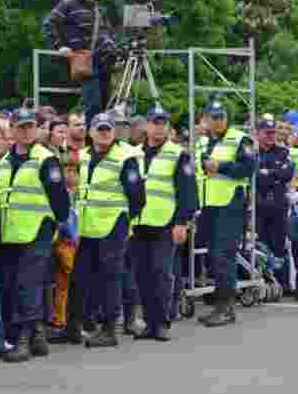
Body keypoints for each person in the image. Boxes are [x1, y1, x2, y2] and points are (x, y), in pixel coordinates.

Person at [0, 109, 70, 361]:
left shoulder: (45, 159)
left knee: (29, 284)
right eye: (21, 127)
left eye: (30, 126)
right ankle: (37, 334)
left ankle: (24, 339)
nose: (26, 131)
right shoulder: (4, 161)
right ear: (12, 131)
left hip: (37, 231)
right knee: (17, 284)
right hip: (11, 233)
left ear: (37, 130)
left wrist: (55, 226)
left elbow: (60, 200)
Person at [68, 113, 145, 347]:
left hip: (113, 226)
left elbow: (137, 197)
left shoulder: (125, 157)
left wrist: (122, 219)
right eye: (100, 129)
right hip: (88, 226)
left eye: (108, 129)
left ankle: (109, 329)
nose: (104, 133)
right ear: (90, 132)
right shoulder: (82, 156)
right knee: (79, 277)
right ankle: (73, 327)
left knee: (109, 278)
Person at [131, 105, 196, 340]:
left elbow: (188, 191)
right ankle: (149, 322)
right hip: (138, 224)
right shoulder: (134, 153)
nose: (159, 127)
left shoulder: (179, 154)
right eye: (155, 123)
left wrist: (182, 222)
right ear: (146, 126)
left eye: (163, 123)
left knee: (161, 273)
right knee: (142, 274)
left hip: (165, 223)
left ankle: (162, 322)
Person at [195, 100, 256, 327]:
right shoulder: (201, 141)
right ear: (206, 119)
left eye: (221, 116)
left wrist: (220, 167)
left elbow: (248, 168)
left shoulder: (240, 139)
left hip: (230, 205)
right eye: (214, 117)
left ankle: (226, 308)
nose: (218, 120)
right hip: (209, 206)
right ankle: (219, 305)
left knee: (224, 256)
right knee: (213, 256)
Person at [47, 0, 116, 126]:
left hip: (104, 60)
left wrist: (112, 45)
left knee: (106, 103)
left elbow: (108, 31)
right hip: (84, 59)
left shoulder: (100, 8)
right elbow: (49, 24)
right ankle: (91, 141)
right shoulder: (69, 4)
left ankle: (101, 137)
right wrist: (60, 46)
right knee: (93, 105)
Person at [253, 114, 293, 297]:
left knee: (279, 246)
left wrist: (266, 173)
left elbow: (287, 174)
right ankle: (262, 282)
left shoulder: (282, 152)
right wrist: (273, 175)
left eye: (272, 133)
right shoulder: (252, 152)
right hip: (258, 207)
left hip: (278, 207)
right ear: (258, 133)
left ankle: (284, 283)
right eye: (266, 133)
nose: (270, 136)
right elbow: (256, 178)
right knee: (260, 245)